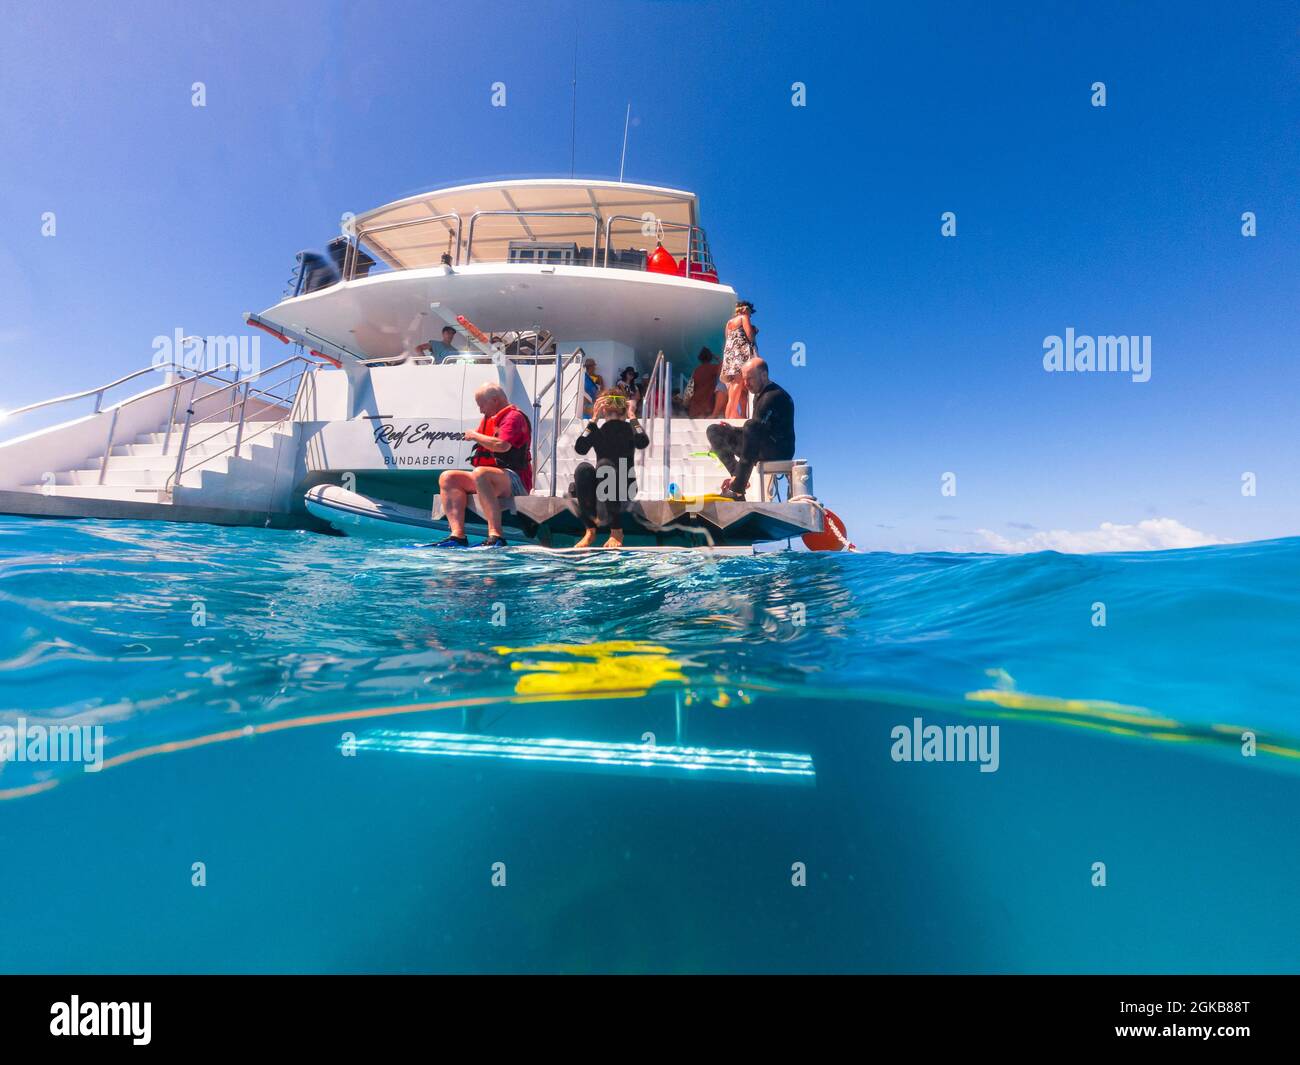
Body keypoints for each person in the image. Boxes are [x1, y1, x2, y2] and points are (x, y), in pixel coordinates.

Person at [434, 383, 532, 548]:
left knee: (481, 473)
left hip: (515, 480)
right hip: (491, 478)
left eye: (481, 405)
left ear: (494, 400)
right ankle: (457, 536)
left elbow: (502, 445)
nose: (480, 410)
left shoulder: (514, 417)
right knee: (448, 477)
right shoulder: (489, 419)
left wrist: (474, 435)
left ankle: (496, 535)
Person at [706, 357, 794, 502]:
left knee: (750, 426)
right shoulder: (758, 393)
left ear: (764, 375)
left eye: (750, 379)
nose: (746, 384)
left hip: (779, 450)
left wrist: (744, 429)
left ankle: (737, 489)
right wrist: (733, 429)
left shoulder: (773, 396)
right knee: (714, 430)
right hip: (760, 443)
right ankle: (737, 477)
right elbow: (758, 428)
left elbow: (756, 428)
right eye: (744, 379)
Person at [571, 390, 649, 549]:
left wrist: (632, 416)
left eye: (618, 403)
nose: (613, 408)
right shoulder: (598, 430)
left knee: (604, 465)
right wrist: (594, 419)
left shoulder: (629, 429)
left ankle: (616, 530)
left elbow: (642, 441)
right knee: (583, 468)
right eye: (608, 404)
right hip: (603, 484)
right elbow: (580, 448)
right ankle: (590, 530)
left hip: (625, 486)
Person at [721, 300, 758, 418]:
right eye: (750, 313)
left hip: (731, 354)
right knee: (738, 382)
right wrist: (754, 331)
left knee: (734, 384)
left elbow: (728, 338)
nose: (750, 315)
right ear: (746, 310)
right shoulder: (744, 318)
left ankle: (733, 413)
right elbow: (750, 337)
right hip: (740, 354)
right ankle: (731, 414)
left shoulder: (729, 323)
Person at [687, 347, 721, 418]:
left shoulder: (696, 371)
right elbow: (725, 368)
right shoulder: (713, 368)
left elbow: (690, 389)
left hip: (695, 405)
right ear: (710, 358)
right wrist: (717, 358)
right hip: (707, 404)